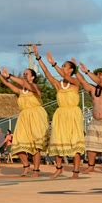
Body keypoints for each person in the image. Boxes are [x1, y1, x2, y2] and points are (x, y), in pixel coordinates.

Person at [33, 45, 84, 179]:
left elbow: (63, 75)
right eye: (62, 66)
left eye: (64, 66)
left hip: (73, 114)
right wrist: (38, 58)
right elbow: (46, 73)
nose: (62, 68)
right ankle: (59, 168)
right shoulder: (58, 85)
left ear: (71, 70)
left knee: (75, 142)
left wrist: (54, 63)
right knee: (58, 140)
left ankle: (76, 171)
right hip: (60, 114)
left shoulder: (75, 83)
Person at [0, 62, 48, 177]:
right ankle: (26, 166)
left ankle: (36, 170)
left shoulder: (35, 87)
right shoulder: (21, 91)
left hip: (36, 116)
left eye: (27, 74)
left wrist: (9, 75)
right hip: (24, 117)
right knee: (18, 144)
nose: (24, 75)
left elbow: (24, 83)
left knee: (35, 146)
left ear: (33, 77)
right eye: (24, 74)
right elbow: (7, 84)